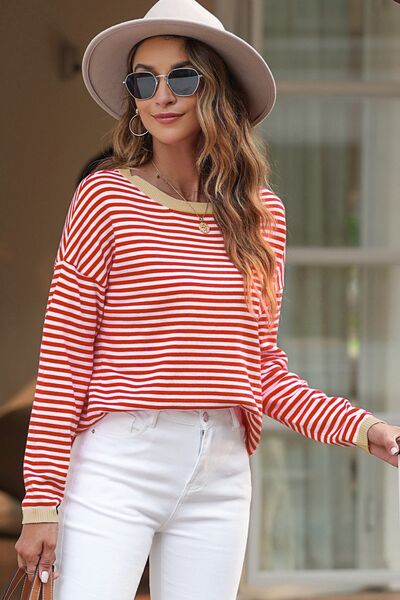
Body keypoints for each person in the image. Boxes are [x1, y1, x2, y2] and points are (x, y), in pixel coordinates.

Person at [14, 0, 400, 598]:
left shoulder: (262, 216)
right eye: (144, 80)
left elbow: (261, 370)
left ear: (217, 88)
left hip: (221, 469)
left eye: (182, 77)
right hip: (119, 462)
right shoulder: (105, 199)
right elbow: (64, 358)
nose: (161, 95)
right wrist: (41, 503)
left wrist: (362, 428)